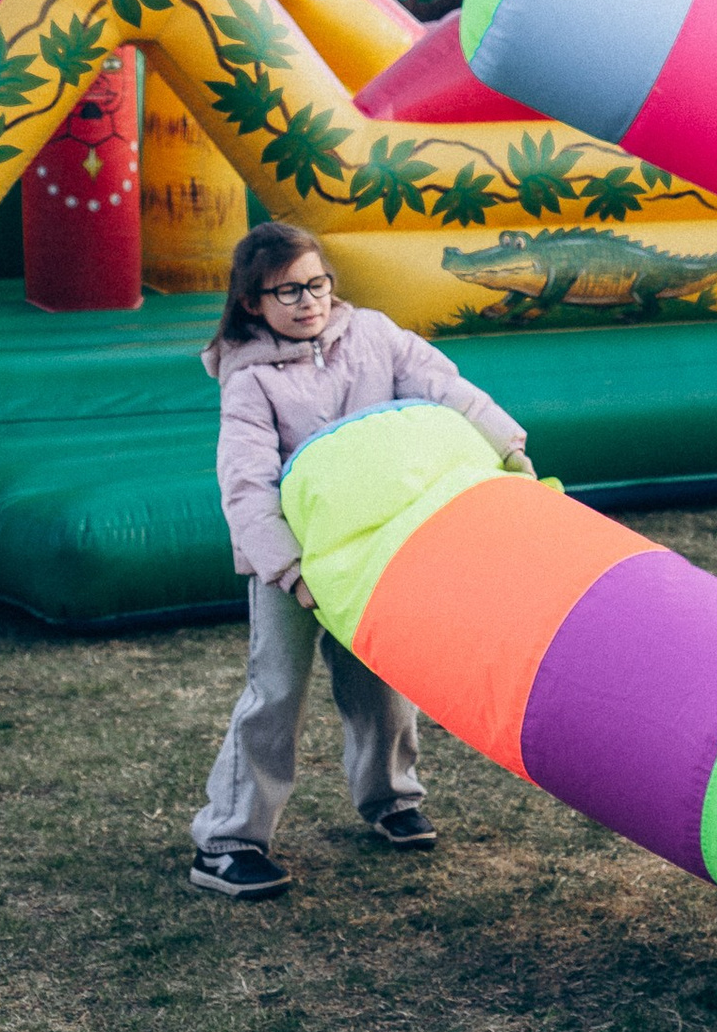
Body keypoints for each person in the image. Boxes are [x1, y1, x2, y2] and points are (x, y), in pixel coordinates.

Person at [191, 221, 533, 900]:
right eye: (285, 291)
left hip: (379, 544)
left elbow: (443, 386)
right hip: (298, 562)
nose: (306, 300)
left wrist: (505, 444)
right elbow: (246, 481)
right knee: (277, 691)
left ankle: (391, 798)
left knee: (383, 677)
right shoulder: (250, 380)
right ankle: (228, 841)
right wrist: (288, 569)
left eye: (315, 283)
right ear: (253, 302)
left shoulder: (374, 335)